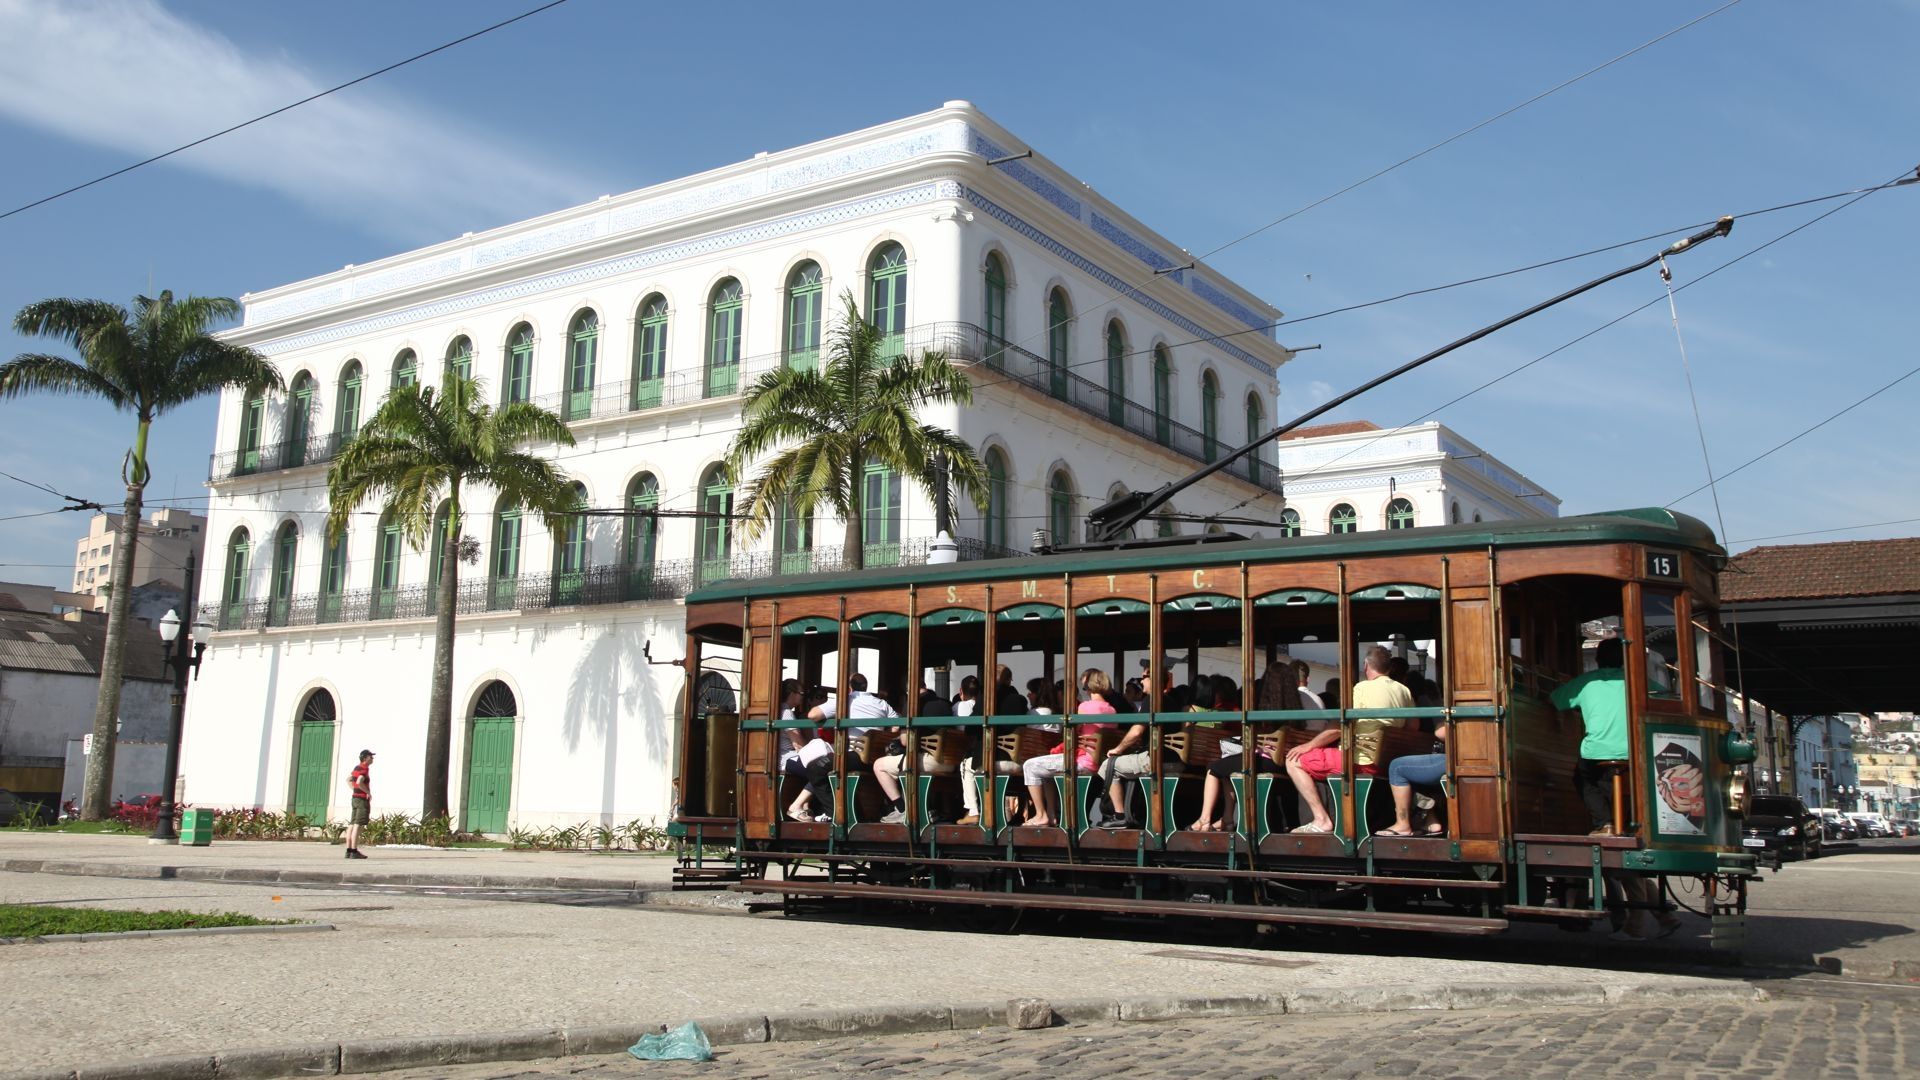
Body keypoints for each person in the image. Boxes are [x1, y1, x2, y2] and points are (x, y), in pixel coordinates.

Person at [1287, 645, 1411, 834]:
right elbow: (1414, 726)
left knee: (1293, 760)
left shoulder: (1362, 687)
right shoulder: (1403, 690)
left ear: (1366, 665)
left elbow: (1339, 727)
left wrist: (1308, 745)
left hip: (1362, 761)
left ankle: (1321, 820)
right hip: (1387, 762)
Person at [1189, 661, 1300, 831]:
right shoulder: (1296, 705)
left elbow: (1256, 737)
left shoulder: (1268, 706)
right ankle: (1227, 819)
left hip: (1267, 760)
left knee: (1214, 767)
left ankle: (1204, 819)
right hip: (1289, 761)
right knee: (1226, 766)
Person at [1551, 637, 1631, 836]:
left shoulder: (1586, 682)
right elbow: (1664, 696)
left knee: (1584, 778)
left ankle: (1606, 824)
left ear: (1597, 659)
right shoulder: (1636, 679)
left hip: (1596, 751)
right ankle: (1630, 823)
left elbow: (1555, 700)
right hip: (1634, 750)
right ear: (1624, 659)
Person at [1021, 669, 1117, 828]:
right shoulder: (1112, 710)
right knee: (1044, 770)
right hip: (1098, 763)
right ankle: (1051, 815)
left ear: (1088, 685)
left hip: (1083, 761)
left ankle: (1041, 814)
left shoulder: (1085, 707)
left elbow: (1074, 733)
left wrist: (1060, 747)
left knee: (1030, 765)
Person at [871, 683, 955, 824]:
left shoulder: (912, 704)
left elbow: (905, 741)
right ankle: (931, 809)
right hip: (950, 762)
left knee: (879, 765)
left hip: (930, 760)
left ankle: (902, 809)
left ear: (908, 690)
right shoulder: (945, 704)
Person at [1377, 724, 1448, 836]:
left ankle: (1402, 825)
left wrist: (1439, 721)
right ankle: (1431, 821)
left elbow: (1441, 733)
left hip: (1458, 758)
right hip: (1460, 758)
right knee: (1415, 766)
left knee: (1397, 767)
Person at [779, 679, 833, 823]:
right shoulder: (786, 712)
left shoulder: (785, 711)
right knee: (821, 769)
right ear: (792, 693)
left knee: (819, 766)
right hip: (788, 759)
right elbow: (797, 744)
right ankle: (796, 806)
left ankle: (805, 805)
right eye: (801, 693)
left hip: (790, 757)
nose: (802, 697)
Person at [345, 749, 373, 859]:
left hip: (354, 798)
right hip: (361, 799)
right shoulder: (364, 769)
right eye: (370, 757)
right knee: (358, 824)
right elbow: (359, 781)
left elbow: (349, 779)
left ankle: (348, 850)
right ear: (365, 758)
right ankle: (354, 851)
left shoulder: (357, 767)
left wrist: (354, 789)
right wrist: (367, 792)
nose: (372, 759)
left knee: (352, 823)